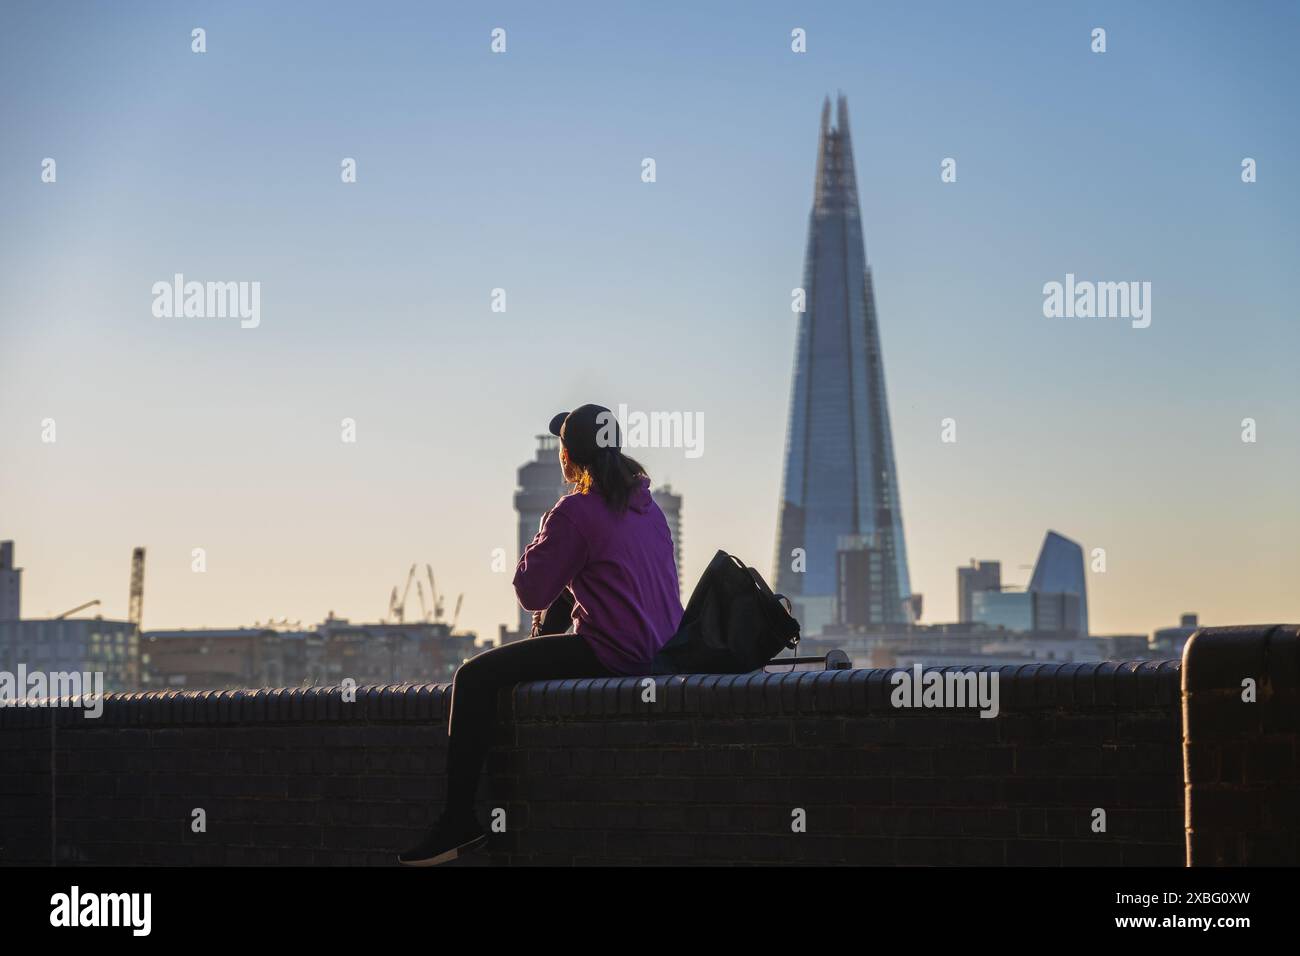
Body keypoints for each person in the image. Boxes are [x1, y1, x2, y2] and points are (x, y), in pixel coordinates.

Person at [398, 404, 684, 865]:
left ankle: (456, 822)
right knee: (569, 596)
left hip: (616, 653)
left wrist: (550, 524)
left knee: (473, 677)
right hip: (663, 652)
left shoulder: (575, 512)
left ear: (568, 456)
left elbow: (530, 590)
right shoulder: (647, 508)